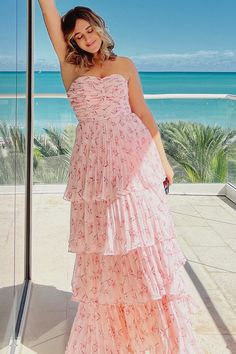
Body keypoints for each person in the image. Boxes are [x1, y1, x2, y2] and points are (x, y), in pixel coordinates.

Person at [38, 1, 203, 353]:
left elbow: (142, 112)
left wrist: (164, 161)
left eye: (89, 29)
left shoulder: (125, 65)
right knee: (107, 242)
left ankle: (154, 329)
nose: (86, 38)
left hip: (134, 159)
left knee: (143, 241)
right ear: (71, 42)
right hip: (96, 169)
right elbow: (49, 14)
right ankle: (117, 330)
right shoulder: (69, 66)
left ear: (99, 26)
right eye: (78, 36)